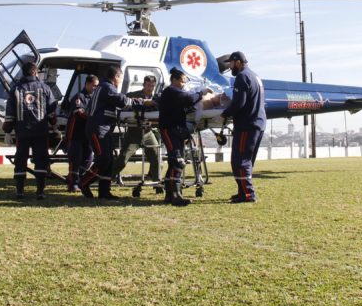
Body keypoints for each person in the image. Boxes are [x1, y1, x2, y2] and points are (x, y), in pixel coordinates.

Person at [79, 65, 143, 200]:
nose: (121, 81)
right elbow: (122, 101)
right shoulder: (108, 87)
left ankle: (104, 191)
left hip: (104, 128)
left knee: (108, 160)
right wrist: (142, 102)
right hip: (98, 129)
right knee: (103, 159)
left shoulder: (104, 87)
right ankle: (84, 182)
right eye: (120, 78)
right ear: (116, 77)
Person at [3, 61, 58, 199]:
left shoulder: (15, 89)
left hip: (22, 132)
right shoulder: (44, 88)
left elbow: (10, 111)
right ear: (35, 72)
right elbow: (52, 108)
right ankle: (40, 191)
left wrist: (8, 130)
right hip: (40, 132)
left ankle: (19, 191)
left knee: (20, 159)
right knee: (41, 160)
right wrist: (53, 123)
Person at [158, 67, 212, 206]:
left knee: (174, 162)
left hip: (176, 130)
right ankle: (175, 195)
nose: (184, 84)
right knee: (177, 161)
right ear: (174, 80)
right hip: (169, 130)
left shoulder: (175, 92)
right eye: (182, 81)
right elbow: (189, 99)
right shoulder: (171, 91)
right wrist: (202, 93)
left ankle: (170, 194)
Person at [221, 51, 266, 203]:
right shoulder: (254, 76)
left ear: (238, 62)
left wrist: (225, 112)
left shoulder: (242, 77)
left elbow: (239, 103)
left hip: (247, 124)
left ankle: (247, 194)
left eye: (231, 63)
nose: (230, 66)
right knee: (246, 160)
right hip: (257, 122)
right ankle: (242, 191)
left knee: (240, 160)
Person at [111, 74, 160, 184]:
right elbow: (123, 102)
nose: (150, 88)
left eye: (152, 86)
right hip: (134, 131)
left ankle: (157, 183)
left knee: (156, 158)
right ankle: (107, 178)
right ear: (144, 84)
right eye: (148, 85)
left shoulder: (156, 98)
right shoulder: (134, 95)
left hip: (148, 132)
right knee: (123, 159)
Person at [64, 74, 99, 192]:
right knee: (76, 159)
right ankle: (73, 183)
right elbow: (79, 113)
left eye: (97, 86)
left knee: (88, 159)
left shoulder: (95, 97)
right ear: (87, 84)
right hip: (76, 134)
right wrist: (94, 116)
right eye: (94, 86)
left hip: (88, 135)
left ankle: (79, 180)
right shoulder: (79, 96)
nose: (95, 88)